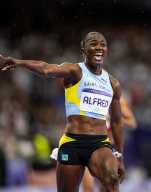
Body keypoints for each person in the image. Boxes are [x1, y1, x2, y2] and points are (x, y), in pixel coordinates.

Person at [0, 32, 125, 192]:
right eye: (94, 44)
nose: (99, 48)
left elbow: (116, 122)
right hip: (72, 142)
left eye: (103, 44)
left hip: (99, 143)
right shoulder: (75, 71)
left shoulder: (113, 84)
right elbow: (46, 69)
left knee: (112, 179)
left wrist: (120, 157)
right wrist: (16, 62)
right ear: (83, 48)